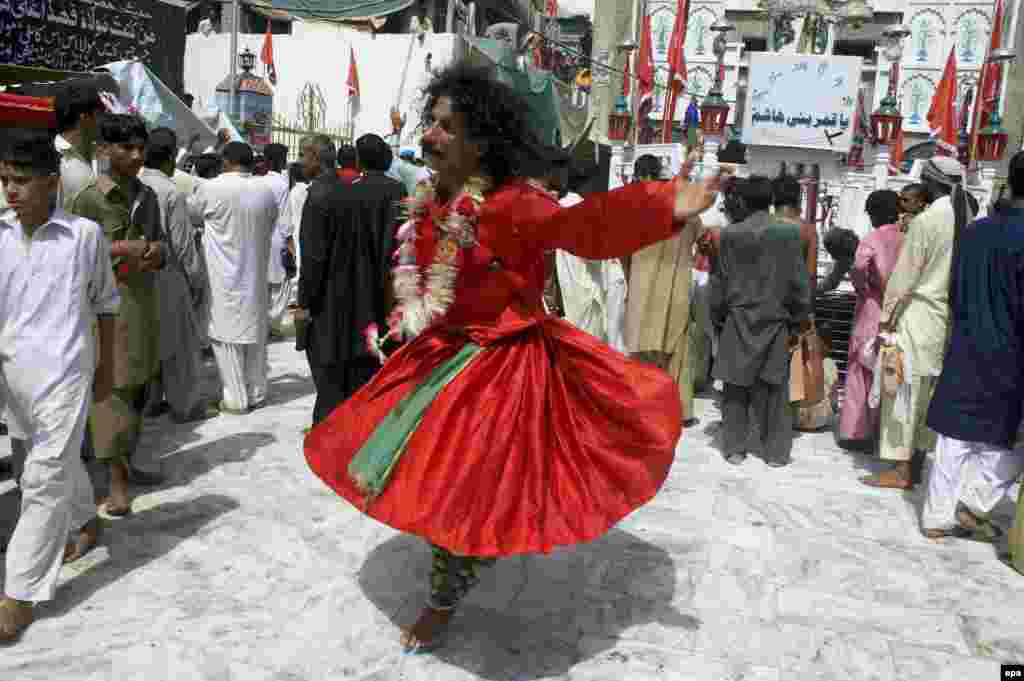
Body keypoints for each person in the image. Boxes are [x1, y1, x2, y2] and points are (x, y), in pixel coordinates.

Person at [302, 61, 721, 652]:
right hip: (439, 357)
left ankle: (443, 597)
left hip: (505, 362)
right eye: (431, 122)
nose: (430, 136)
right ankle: (461, 563)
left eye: (447, 126)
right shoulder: (428, 198)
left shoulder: (517, 203)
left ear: (482, 140)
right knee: (435, 481)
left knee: (463, 485)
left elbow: (587, 230)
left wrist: (666, 207)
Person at [0, 130, 119, 642]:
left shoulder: (84, 237)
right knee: (51, 463)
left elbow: (106, 305)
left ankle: (19, 594)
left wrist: (107, 371)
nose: (11, 191)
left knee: (41, 479)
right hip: (15, 379)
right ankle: (85, 522)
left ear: (52, 182)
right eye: (5, 180)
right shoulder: (0, 235)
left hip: (67, 375)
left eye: (22, 181)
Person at [920, 151, 1024, 540]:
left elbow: (956, 289)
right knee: (1006, 441)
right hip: (1010, 354)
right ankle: (975, 502)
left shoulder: (975, 232)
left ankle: (936, 517)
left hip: (967, 342)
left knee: (953, 437)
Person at [68, 114, 167, 516]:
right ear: (104, 150)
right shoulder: (88, 199)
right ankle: (116, 483)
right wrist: (117, 250)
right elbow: (71, 257)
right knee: (113, 393)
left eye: (141, 148)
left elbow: (162, 245)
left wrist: (157, 253)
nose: (137, 155)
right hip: (107, 312)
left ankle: (126, 463)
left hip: (143, 305)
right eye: (127, 147)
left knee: (140, 386)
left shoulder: (149, 195)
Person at [860, 157, 971, 490]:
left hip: (918, 314)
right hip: (942, 318)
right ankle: (917, 462)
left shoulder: (927, 222)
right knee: (925, 396)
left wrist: (886, 320)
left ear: (929, 182)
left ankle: (900, 469)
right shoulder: (962, 218)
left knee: (903, 393)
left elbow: (904, 277)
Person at [296, 133, 406, 424]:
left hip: (340, 288)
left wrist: (305, 300)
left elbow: (316, 255)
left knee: (334, 366)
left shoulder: (335, 193)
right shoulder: (396, 190)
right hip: (379, 281)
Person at [710, 175, 813, 467]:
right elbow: (798, 281)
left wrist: (717, 317)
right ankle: (776, 453)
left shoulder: (730, 234)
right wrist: (800, 319)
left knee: (735, 387)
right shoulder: (789, 234)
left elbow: (720, 280)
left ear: (741, 201)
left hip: (739, 317)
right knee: (776, 389)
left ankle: (734, 448)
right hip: (776, 318)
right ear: (770, 201)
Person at [188, 142, 279, 414]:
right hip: (255, 274)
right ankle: (257, 392)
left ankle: (236, 398)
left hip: (224, 276)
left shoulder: (211, 187)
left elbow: (192, 214)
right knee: (254, 335)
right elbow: (271, 221)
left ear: (226, 161)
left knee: (226, 337)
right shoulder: (265, 190)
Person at [138, 127, 215, 424]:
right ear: (171, 157)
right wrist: (196, 280)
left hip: (140, 274)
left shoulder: (138, 182)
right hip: (168, 273)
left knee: (150, 339)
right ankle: (185, 406)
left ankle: (152, 401)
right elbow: (183, 245)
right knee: (180, 346)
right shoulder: (169, 192)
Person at [623, 154, 705, 427]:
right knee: (677, 350)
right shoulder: (686, 210)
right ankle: (680, 410)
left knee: (640, 347)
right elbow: (702, 241)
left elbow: (622, 251)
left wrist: (629, 277)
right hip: (676, 286)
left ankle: (640, 407)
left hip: (641, 285)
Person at [838, 190, 904, 445]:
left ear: (874, 213)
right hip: (898, 311)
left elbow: (858, 268)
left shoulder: (872, 239)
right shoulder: (906, 238)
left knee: (859, 369)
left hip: (873, 306)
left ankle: (856, 433)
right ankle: (881, 434)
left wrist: (863, 288)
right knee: (886, 370)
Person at [554, 160, 628, 352]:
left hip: (565, 285)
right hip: (586, 287)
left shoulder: (558, 206)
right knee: (589, 346)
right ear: (589, 183)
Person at [54, 79, 103, 208]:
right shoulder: (50, 158)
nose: (103, 123)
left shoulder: (102, 156)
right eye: (99, 116)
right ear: (85, 118)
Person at [262, 143, 293, 336]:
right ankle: (272, 324)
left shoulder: (258, 181)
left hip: (260, 237)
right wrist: (291, 244)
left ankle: (263, 324)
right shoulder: (281, 184)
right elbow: (285, 218)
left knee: (263, 284)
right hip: (278, 238)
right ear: (282, 160)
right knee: (282, 285)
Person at [772, 173, 818, 289]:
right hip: (791, 300)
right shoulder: (808, 230)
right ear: (798, 197)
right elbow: (810, 276)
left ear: (772, 197)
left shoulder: (759, 225)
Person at [794, 322, 839, 431]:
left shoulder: (793, 360)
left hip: (794, 421)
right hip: (818, 422)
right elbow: (834, 400)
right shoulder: (829, 363)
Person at [816, 228, 859, 294]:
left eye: (833, 253)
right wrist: (814, 289)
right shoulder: (843, 260)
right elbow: (832, 280)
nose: (832, 257)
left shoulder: (864, 252)